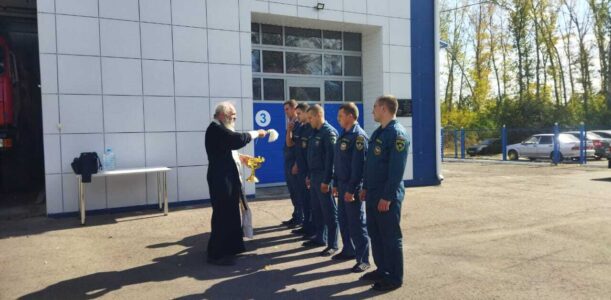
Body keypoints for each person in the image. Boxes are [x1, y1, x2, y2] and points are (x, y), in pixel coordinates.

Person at [205, 102, 268, 266]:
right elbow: (237, 139)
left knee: (231, 212)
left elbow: (227, 149)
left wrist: (241, 158)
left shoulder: (221, 129)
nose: (234, 118)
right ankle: (216, 253)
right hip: (221, 179)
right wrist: (257, 133)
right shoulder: (216, 129)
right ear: (222, 115)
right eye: (232, 116)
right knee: (222, 214)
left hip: (227, 178)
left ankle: (231, 248)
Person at [359, 95, 410, 291]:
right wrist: (364, 187)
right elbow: (370, 164)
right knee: (376, 234)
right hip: (372, 194)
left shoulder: (397, 134)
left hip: (385, 196)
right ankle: (382, 269)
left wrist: (387, 197)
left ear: (383, 108)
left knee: (390, 237)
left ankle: (394, 278)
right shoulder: (379, 133)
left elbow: (396, 171)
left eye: (374, 107)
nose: (372, 111)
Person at [332, 103, 371, 273]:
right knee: (344, 221)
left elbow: (359, 167)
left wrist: (351, 189)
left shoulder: (359, 137)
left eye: (341, 115)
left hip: (351, 187)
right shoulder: (344, 134)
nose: (338, 119)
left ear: (350, 116)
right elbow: (338, 162)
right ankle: (348, 250)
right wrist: (335, 184)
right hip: (341, 184)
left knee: (356, 224)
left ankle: (363, 260)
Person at [303, 104, 339, 257]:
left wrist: (327, 180)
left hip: (325, 178)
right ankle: (320, 238)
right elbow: (313, 157)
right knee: (316, 209)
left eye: (310, 118)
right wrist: (309, 176)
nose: (308, 120)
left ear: (318, 115)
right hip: (315, 176)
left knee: (329, 212)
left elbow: (331, 160)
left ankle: (333, 244)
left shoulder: (328, 133)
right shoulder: (314, 132)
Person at [289, 103, 314, 238]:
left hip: (307, 170)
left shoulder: (311, 128)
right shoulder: (300, 127)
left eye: (299, 114)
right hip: (300, 168)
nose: (297, 116)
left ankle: (312, 229)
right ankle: (305, 226)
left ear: (306, 113)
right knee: (303, 199)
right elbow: (294, 144)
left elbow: (310, 153)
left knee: (310, 202)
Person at [282, 100, 302, 228]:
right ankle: (296, 215)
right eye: (284, 109)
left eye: (287, 109)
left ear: (294, 108)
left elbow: (296, 146)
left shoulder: (298, 125)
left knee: (298, 192)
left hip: (295, 163)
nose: (285, 111)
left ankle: (300, 218)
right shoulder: (291, 123)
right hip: (289, 162)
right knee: (293, 192)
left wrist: (296, 163)